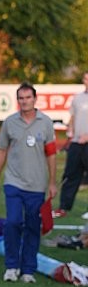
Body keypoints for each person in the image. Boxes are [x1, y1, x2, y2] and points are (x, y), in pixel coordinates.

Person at [0, 82, 57, 283]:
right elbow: (2, 150)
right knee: (12, 222)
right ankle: (11, 266)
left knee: (32, 226)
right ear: (17, 100)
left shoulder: (46, 122)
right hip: (13, 182)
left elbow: (52, 154)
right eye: (21, 98)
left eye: (28, 97)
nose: (25, 101)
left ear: (35, 99)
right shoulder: (9, 122)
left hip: (37, 185)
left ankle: (28, 269)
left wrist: (52, 182)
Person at [53, 72, 88, 218]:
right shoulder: (77, 98)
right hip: (76, 142)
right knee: (70, 175)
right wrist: (70, 130)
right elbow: (73, 116)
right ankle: (63, 208)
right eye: (86, 79)